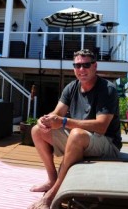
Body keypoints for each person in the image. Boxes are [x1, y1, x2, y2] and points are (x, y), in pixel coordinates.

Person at [28, 49, 122, 209]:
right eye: (77, 65)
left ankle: (52, 195)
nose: (81, 69)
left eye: (86, 65)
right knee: (37, 130)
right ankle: (52, 179)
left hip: (107, 144)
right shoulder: (72, 87)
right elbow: (57, 113)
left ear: (95, 66)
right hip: (79, 139)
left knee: (77, 134)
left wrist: (63, 122)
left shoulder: (107, 89)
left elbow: (101, 125)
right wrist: (45, 120)